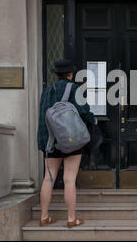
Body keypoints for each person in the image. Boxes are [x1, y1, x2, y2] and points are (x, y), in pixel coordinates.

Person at [37, 59, 97, 228]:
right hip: (71, 141)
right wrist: (93, 120)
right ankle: (71, 219)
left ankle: (44, 217)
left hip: (49, 141)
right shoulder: (74, 88)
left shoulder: (47, 91)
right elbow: (84, 112)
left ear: (56, 74)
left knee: (48, 179)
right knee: (69, 179)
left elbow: (43, 119)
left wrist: (42, 142)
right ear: (71, 74)